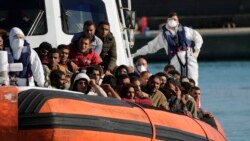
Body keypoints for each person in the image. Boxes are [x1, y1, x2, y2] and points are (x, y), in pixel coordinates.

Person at [132, 12, 203, 85]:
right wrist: (137, 53)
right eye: (170, 19)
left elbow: (198, 38)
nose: (173, 21)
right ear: (167, 21)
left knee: (193, 81)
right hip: (174, 60)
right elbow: (151, 47)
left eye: (175, 19)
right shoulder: (163, 36)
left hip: (189, 58)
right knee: (176, 82)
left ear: (178, 21)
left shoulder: (186, 30)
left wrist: (197, 50)